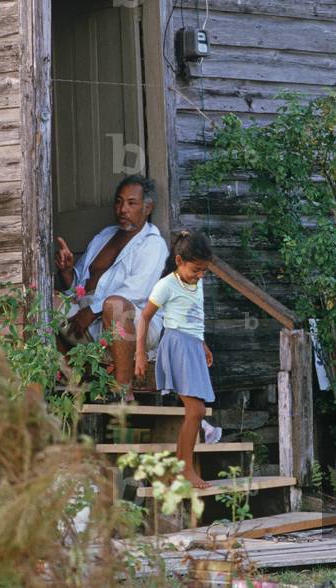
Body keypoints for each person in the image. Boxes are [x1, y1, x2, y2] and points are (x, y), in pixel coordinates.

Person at [55, 175, 168, 403]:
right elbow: (80, 286)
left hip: (132, 326)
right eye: (118, 202)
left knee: (114, 305)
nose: (122, 209)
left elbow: (135, 292)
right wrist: (67, 272)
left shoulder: (153, 244)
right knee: (43, 302)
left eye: (131, 203)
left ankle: (122, 391)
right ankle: (75, 379)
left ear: (148, 207)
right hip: (88, 322)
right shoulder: (104, 237)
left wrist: (92, 311)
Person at [135, 230, 215, 488]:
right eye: (196, 269)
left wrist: (202, 343)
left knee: (194, 412)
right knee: (196, 410)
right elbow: (144, 317)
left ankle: (182, 469)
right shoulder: (166, 285)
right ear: (179, 261)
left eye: (204, 270)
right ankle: (186, 470)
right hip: (177, 345)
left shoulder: (196, 282)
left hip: (192, 345)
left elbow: (194, 316)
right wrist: (139, 353)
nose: (200, 275)